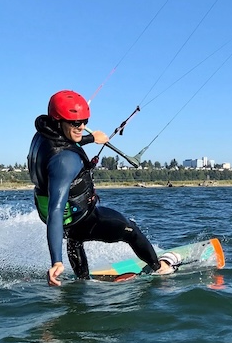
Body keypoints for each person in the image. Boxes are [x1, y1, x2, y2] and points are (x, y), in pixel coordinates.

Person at [28, 90, 176, 286]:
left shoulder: (43, 135)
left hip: (50, 213)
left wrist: (92, 139)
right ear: (58, 120)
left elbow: (65, 140)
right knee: (130, 229)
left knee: (73, 234)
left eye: (84, 121)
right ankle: (160, 268)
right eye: (75, 123)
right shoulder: (65, 162)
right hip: (71, 215)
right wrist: (56, 260)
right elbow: (57, 209)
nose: (81, 127)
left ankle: (82, 280)